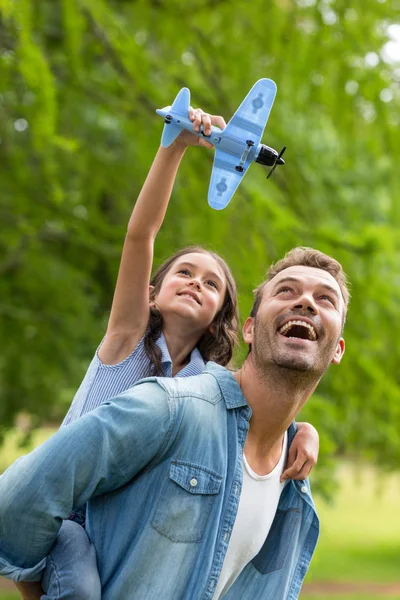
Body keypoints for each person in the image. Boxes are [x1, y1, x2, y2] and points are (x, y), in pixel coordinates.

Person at [11, 108, 319, 600]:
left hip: (128, 524)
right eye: (184, 273)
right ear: (153, 294)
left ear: (223, 313)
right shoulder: (127, 338)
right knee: (82, 593)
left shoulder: (206, 384)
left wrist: (305, 433)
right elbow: (142, 235)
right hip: (68, 515)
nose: (196, 282)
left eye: (211, 282)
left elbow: (262, 403)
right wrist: (174, 147)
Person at [0, 246, 347, 600]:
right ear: (250, 329)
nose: (305, 303)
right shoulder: (168, 405)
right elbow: (14, 503)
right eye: (286, 290)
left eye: (325, 298)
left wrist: (305, 429)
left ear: (338, 349)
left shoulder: (294, 486)